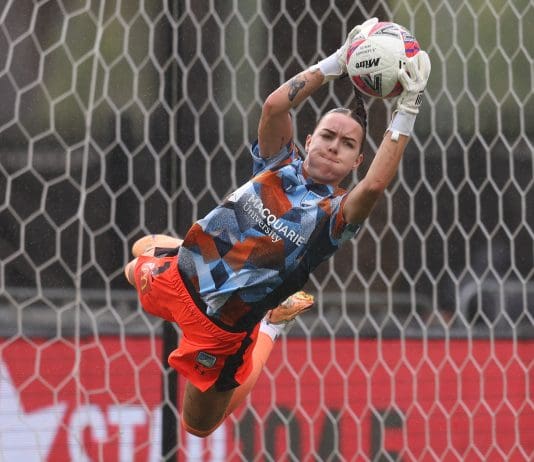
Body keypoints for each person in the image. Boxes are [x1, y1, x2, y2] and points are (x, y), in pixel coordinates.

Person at [124, 17, 431, 438]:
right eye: (328, 135)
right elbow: (274, 106)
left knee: (196, 426)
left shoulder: (333, 216)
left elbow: (376, 185)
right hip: (179, 276)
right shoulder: (278, 162)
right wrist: (338, 62)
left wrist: (407, 108)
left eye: (347, 145)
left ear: (357, 161)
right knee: (140, 250)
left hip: (218, 331)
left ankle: (269, 326)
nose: (333, 146)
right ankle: (199, 262)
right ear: (309, 139)